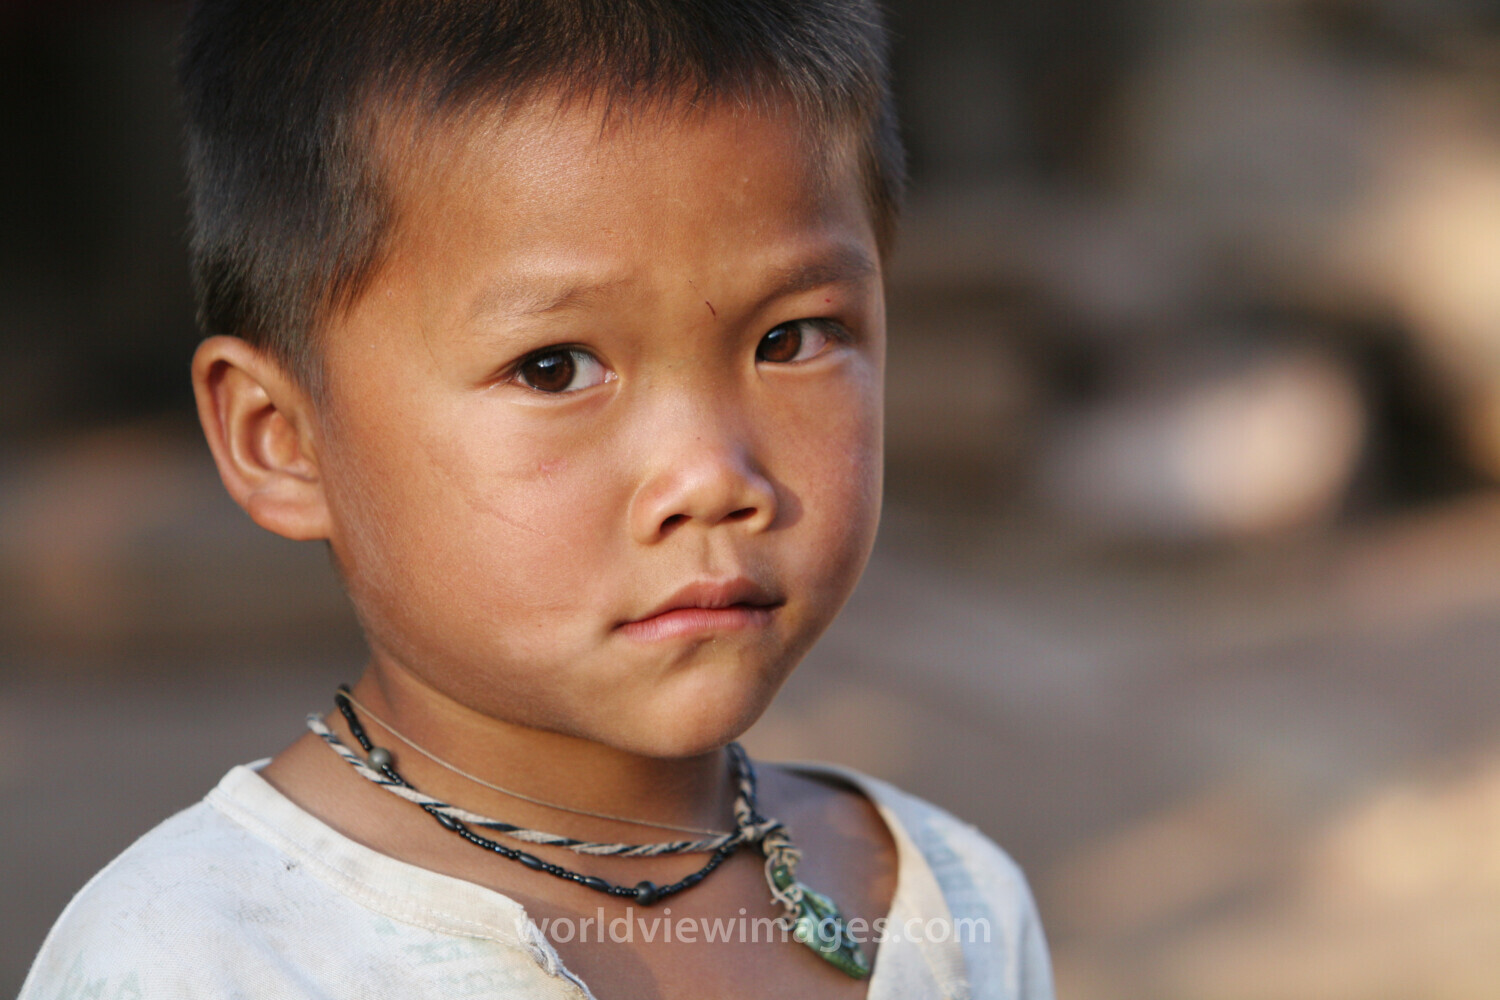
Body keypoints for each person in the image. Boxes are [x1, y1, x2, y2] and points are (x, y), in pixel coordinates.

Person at [20, 1, 1053, 997]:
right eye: (554, 367)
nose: (710, 477)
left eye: (792, 338)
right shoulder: (200, 959)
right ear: (281, 440)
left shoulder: (950, 906)